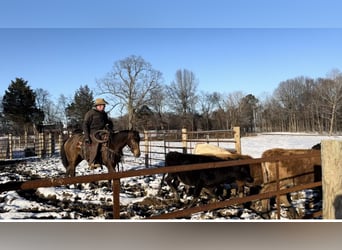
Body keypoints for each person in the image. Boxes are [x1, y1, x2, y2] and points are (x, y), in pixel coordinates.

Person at [83, 98, 114, 169]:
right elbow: (85, 124)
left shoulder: (104, 114)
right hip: (93, 132)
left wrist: (110, 125)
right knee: (96, 143)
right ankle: (92, 162)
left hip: (102, 132)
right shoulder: (90, 113)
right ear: (97, 106)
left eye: (104, 106)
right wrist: (87, 137)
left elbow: (108, 122)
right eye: (102, 105)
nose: (103, 107)